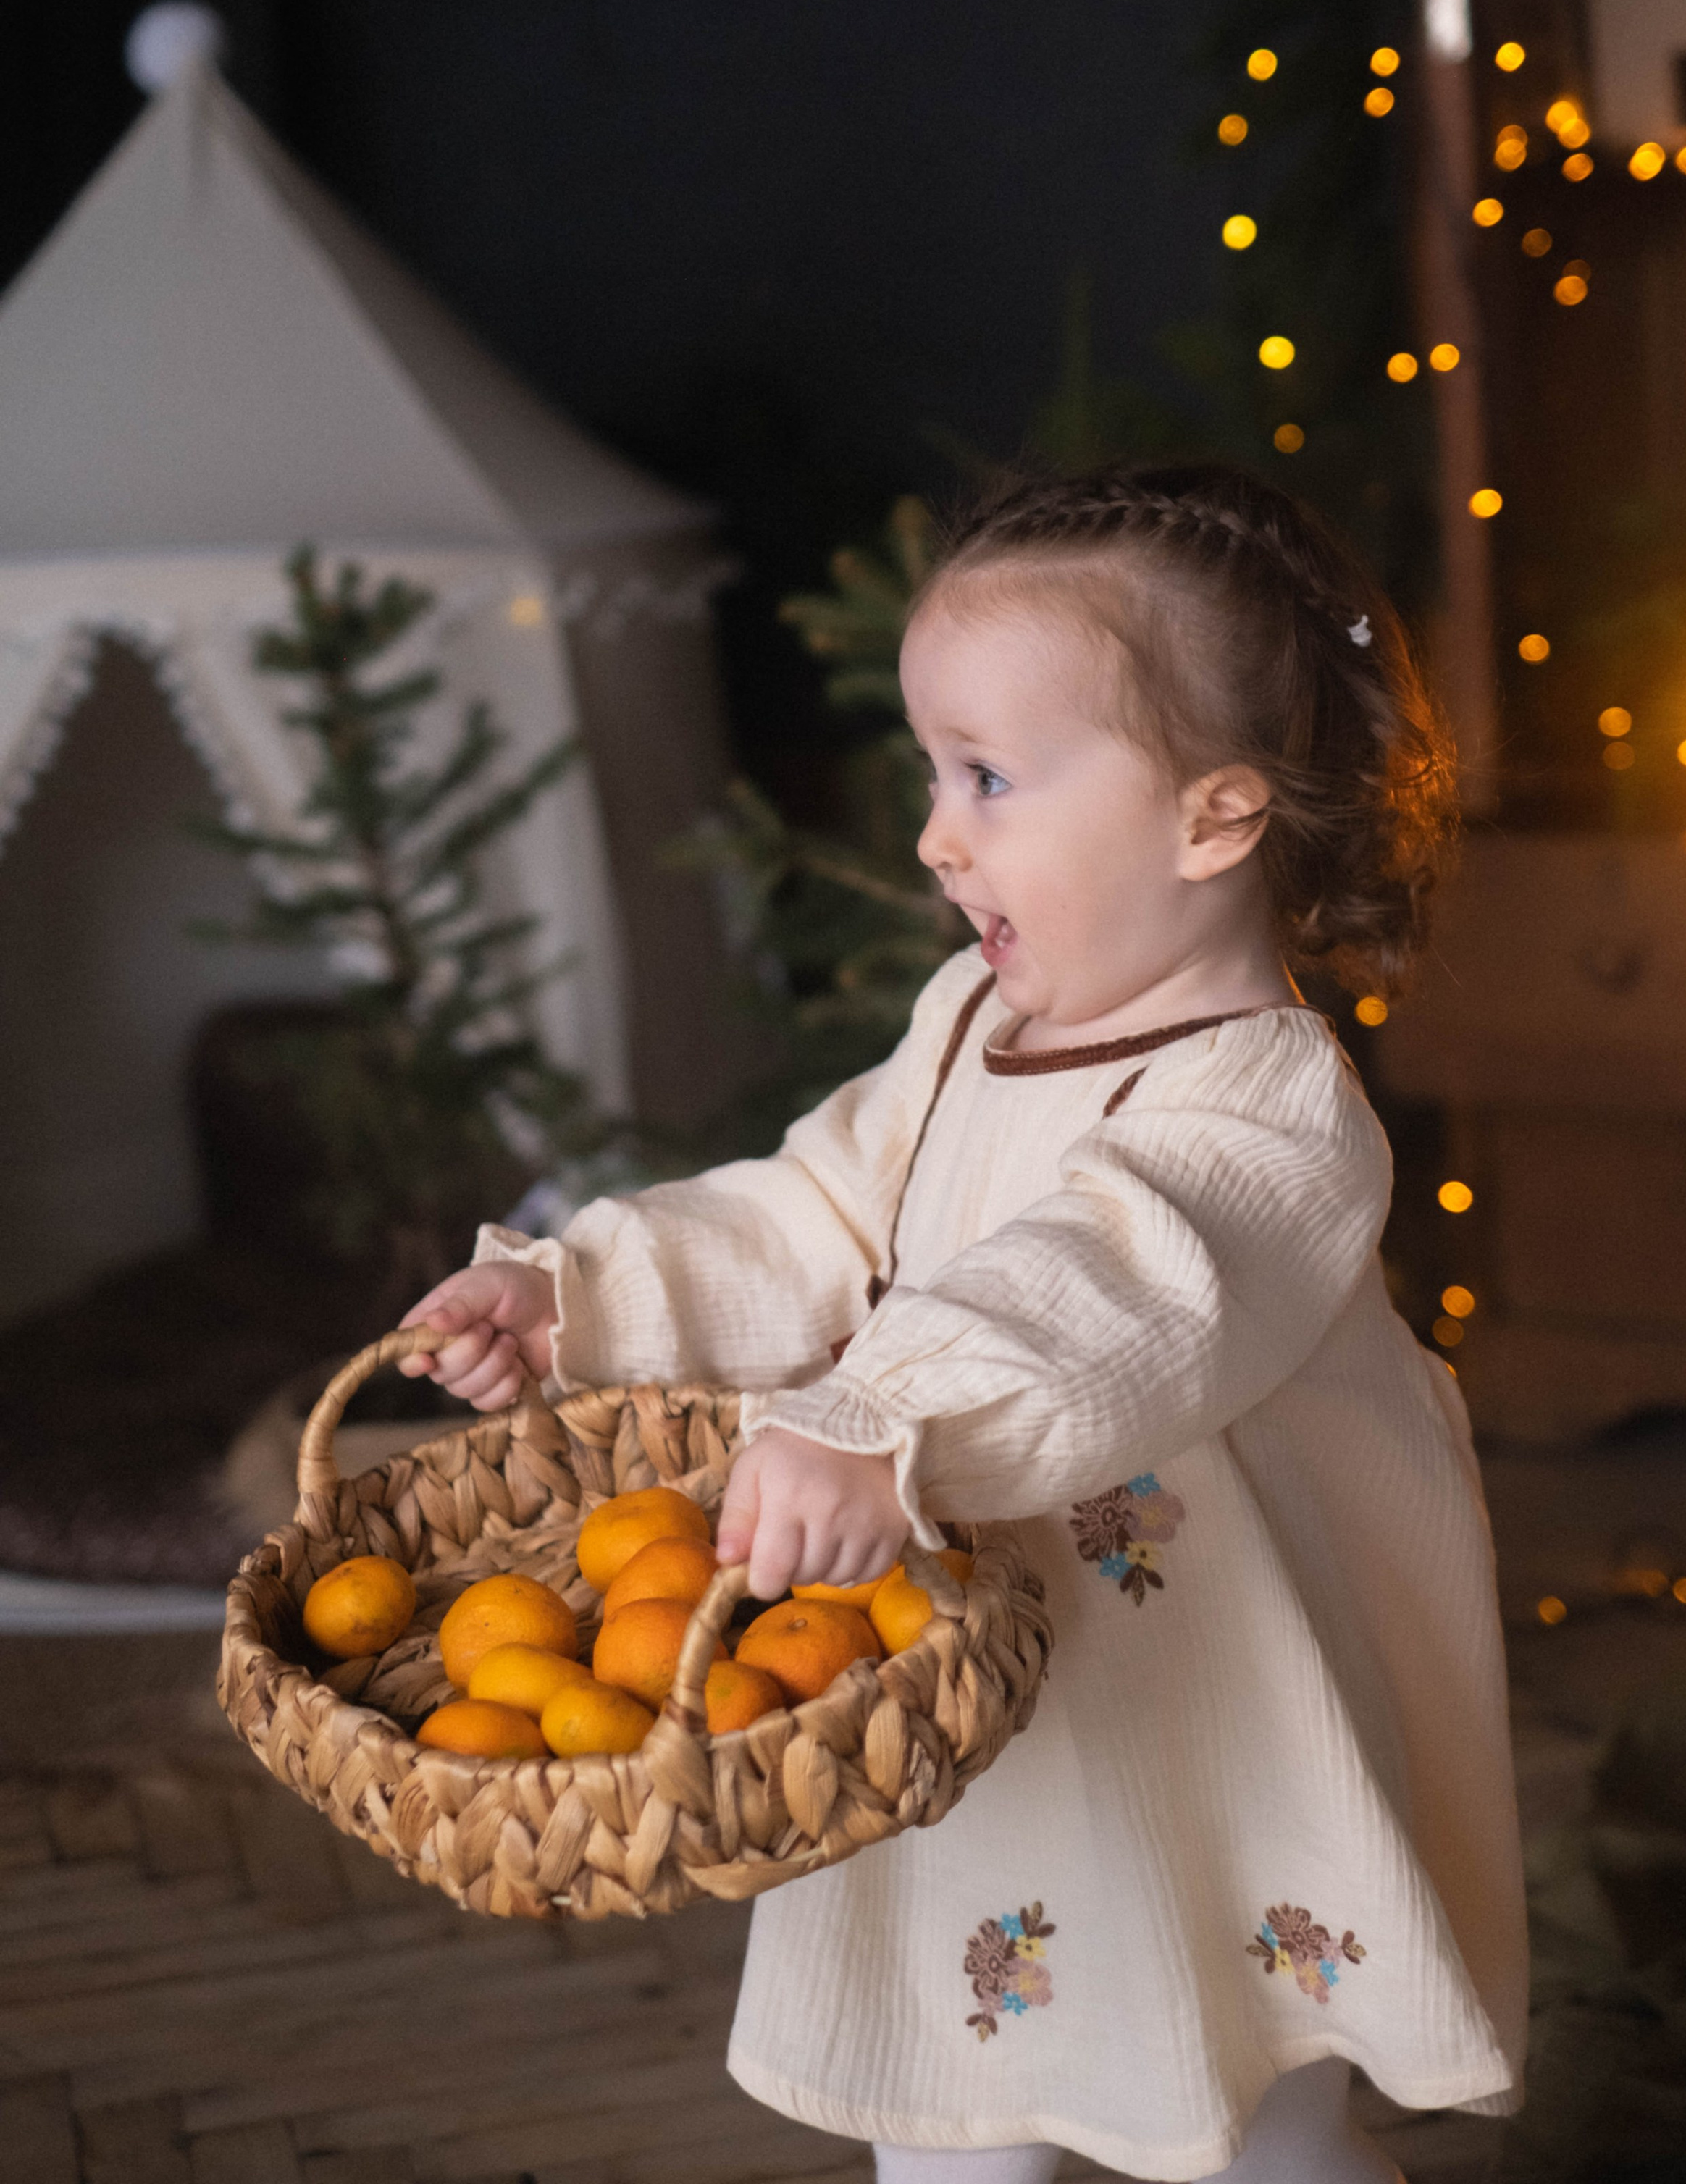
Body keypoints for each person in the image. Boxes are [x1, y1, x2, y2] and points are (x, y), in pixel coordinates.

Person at [401, 464, 1527, 2184]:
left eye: (989, 778)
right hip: (964, 1681)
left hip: (1207, 1701)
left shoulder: (1271, 1111)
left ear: (1211, 819)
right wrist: (582, 1292)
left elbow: (1104, 1281)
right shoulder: (968, 1024)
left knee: (1250, 2113)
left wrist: (885, 1415)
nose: (937, 833)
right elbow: (817, 1212)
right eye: (936, 772)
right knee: (952, 2083)